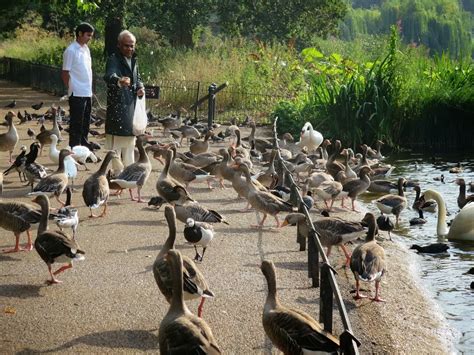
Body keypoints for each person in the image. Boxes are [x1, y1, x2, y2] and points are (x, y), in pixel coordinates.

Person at [103, 30, 145, 167]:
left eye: (132, 46)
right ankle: (117, 173)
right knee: (117, 144)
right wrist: (119, 80)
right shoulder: (113, 59)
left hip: (130, 105)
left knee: (130, 141)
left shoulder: (134, 59)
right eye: (126, 46)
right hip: (118, 106)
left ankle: (129, 171)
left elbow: (137, 78)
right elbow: (109, 75)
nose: (130, 49)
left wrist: (140, 87)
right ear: (119, 45)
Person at [61, 22, 100, 150]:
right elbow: (65, 72)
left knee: (86, 122)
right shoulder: (71, 50)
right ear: (80, 34)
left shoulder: (86, 49)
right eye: (88, 35)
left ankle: (84, 144)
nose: (90, 38)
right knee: (76, 123)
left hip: (86, 91)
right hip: (76, 92)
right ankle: (74, 147)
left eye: (91, 35)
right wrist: (70, 88)